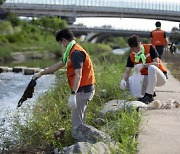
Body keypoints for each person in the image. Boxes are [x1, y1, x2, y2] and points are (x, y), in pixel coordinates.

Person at [33, 28, 95, 129]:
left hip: (83, 91)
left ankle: (79, 143)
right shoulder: (70, 51)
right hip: (83, 89)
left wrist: (73, 94)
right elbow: (58, 65)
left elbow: (78, 75)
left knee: (77, 123)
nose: (61, 45)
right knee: (80, 119)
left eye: (60, 43)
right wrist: (41, 73)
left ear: (64, 40)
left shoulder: (75, 53)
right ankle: (82, 140)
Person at [120, 35, 168, 104]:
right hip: (148, 78)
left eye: (137, 48)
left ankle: (148, 95)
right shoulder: (131, 56)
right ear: (130, 48)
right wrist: (123, 80)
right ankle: (150, 93)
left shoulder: (150, 48)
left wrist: (143, 65)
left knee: (151, 68)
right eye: (133, 49)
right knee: (128, 82)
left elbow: (156, 64)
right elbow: (127, 72)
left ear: (140, 43)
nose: (136, 50)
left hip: (160, 77)